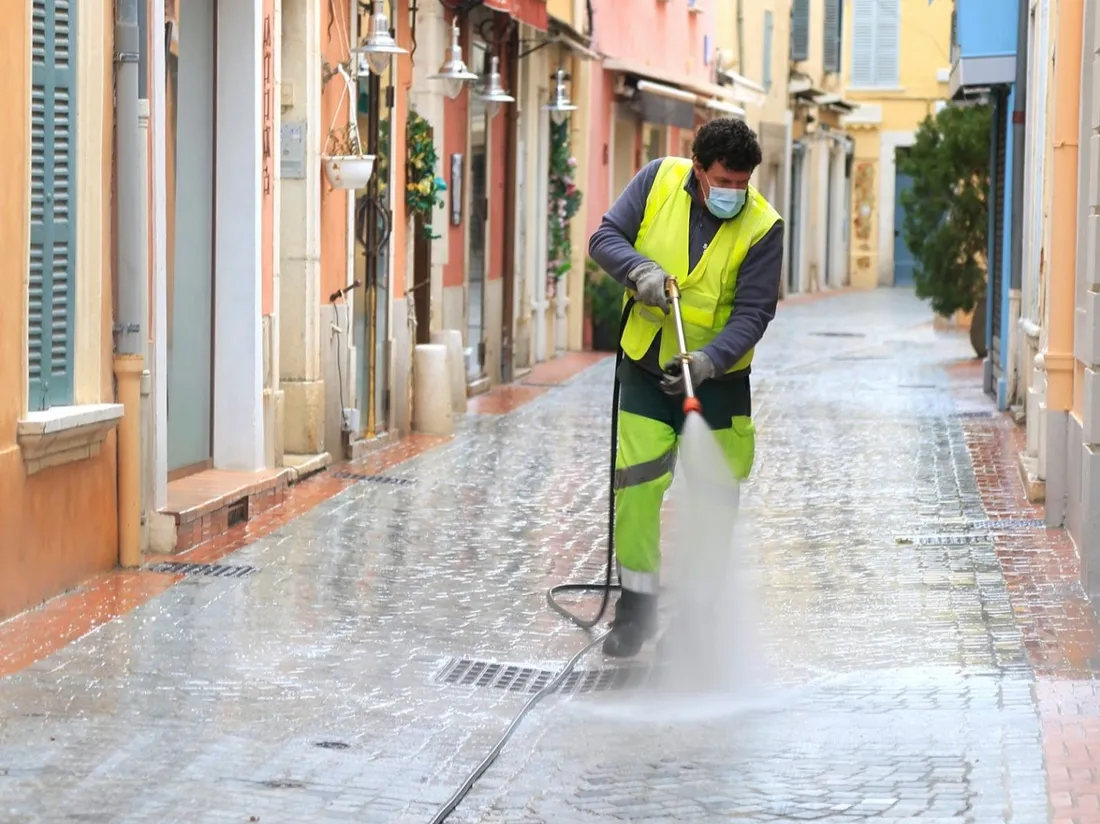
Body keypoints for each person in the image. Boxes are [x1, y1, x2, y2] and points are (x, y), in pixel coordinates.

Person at [587, 117, 785, 658]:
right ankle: (635, 612)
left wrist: (710, 360)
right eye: (723, 181)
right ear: (698, 168)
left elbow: (754, 312)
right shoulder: (657, 180)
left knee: (714, 502)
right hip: (647, 369)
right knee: (637, 486)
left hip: (718, 382)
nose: (733, 193)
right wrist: (639, 272)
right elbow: (604, 238)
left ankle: (697, 620)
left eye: (742, 183)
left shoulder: (763, 226)